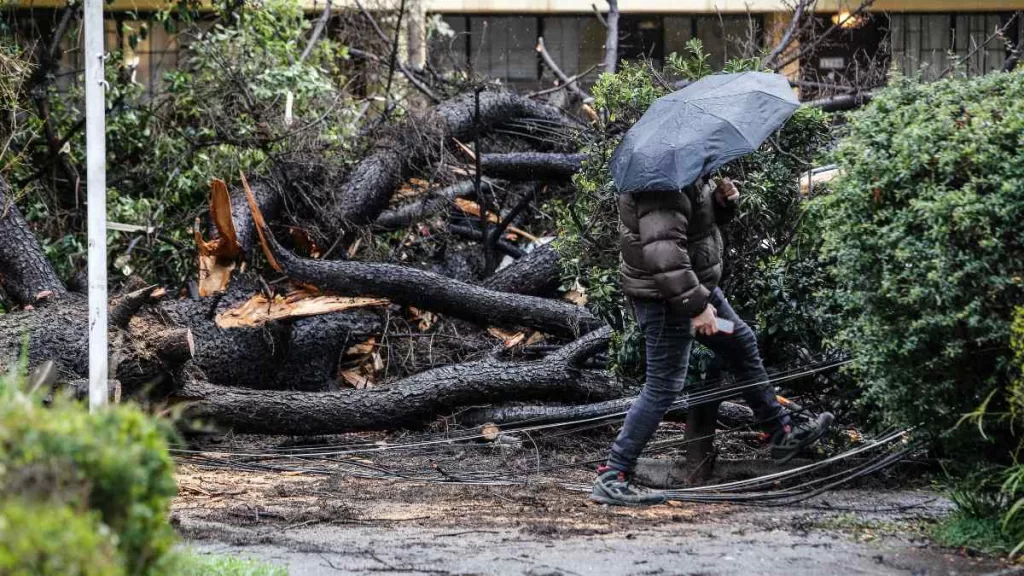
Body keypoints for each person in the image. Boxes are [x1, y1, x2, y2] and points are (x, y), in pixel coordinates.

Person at [590, 177, 834, 507]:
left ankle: (780, 432)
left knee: (739, 341)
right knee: (664, 384)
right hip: (668, 301)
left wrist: (721, 203)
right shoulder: (661, 181)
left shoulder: (686, 172)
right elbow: (664, 254)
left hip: (697, 290)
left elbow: (690, 228)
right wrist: (696, 308)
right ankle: (613, 474)